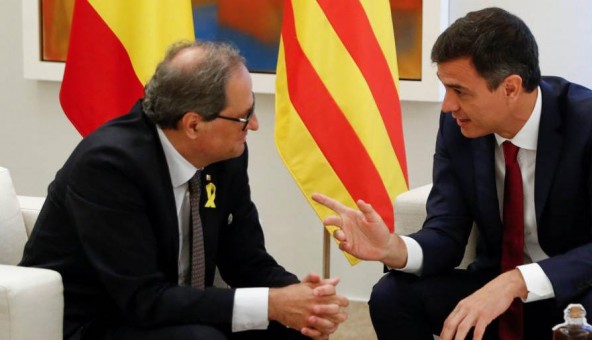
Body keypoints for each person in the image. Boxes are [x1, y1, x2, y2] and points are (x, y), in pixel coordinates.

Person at [312, 7, 592, 340]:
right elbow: (446, 234)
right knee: (392, 295)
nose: (448, 105)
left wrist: (516, 281)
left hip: (585, 292)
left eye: (459, 91)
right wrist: (392, 247)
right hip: (498, 288)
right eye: (445, 88)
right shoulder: (458, 126)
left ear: (510, 87)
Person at [20, 41, 348, 340]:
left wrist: (303, 298)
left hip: (175, 306)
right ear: (193, 125)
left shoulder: (226, 156)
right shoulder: (109, 166)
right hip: (99, 321)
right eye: (244, 116)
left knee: (293, 329)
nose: (255, 125)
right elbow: (142, 299)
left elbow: (247, 261)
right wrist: (272, 303)